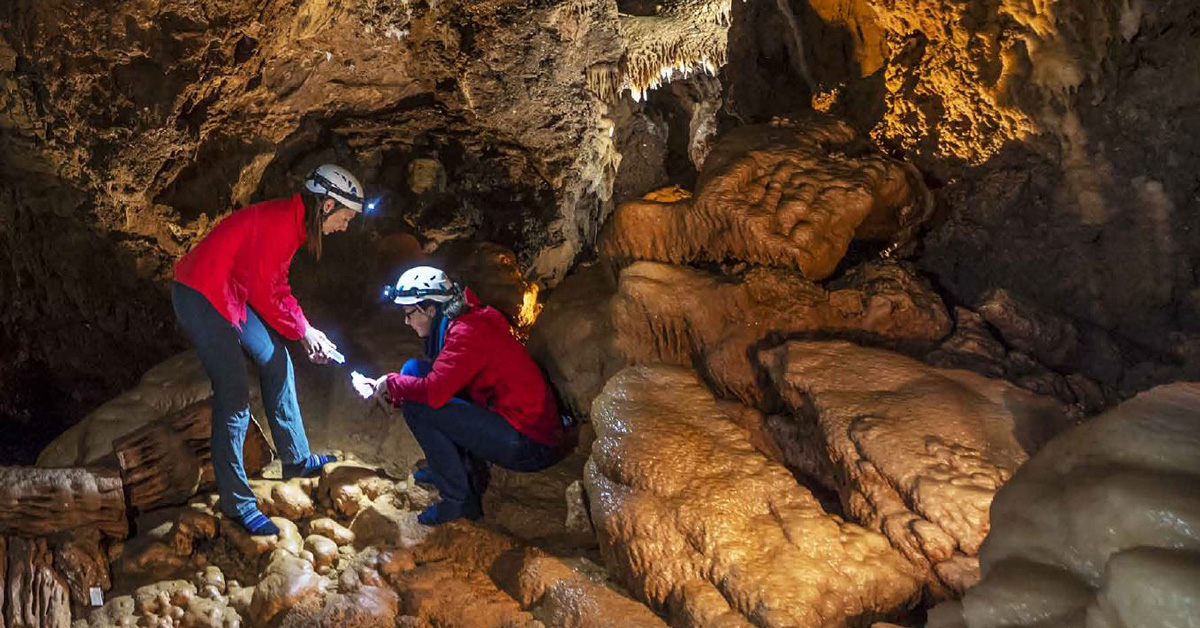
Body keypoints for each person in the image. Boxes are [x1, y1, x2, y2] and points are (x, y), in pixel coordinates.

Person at [172, 164, 366, 535]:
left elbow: (276, 285)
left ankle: (295, 459)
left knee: (278, 361)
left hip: (228, 292)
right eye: (346, 217)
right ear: (327, 205)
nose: (345, 226)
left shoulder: (291, 223)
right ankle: (236, 503)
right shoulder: (281, 223)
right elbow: (267, 292)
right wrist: (304, 331)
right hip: (199, 293)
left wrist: (306, 330)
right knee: (233, 397)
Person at [371, 266, 566, 525]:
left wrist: (390, 384)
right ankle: (447, 467)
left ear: (430, 309)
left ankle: (459, 499)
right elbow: (438, 378)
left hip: (528, 441)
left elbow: (433, 393)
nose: (406, 321)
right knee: (413, 370)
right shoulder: (463, 319)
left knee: (419, 405)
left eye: (409, 313)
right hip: (508, 416)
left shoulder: (467, 332)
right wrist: (399, 384)